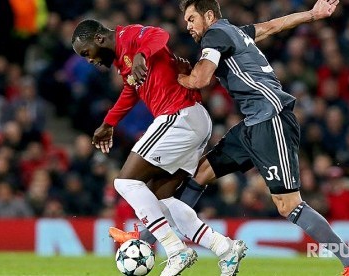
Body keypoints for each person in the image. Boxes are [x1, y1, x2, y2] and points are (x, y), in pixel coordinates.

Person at [175, 0, 349, 275]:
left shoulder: (215, 34)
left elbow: (200, 79)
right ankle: (154, 243)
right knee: (199, 174)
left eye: (191, 18)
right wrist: (313, 14)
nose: (188, 26)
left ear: (209, 15)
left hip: (272, 118)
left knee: (288, 205)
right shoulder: (237, 32)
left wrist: (171, 75)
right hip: (252, 124)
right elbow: (272, 26)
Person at [71, 19, 247, 276]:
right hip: (191, 120)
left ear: (98, 40)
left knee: (125, 182)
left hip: (178, 115)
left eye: (87, 53)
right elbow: (131, 91)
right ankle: (224, 248)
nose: (89, 60)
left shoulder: (129, 36)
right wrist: (109, 122)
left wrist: (142, 54)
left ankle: (175, 250)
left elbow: (160, 34)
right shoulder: (123, 61)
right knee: (162, 199)